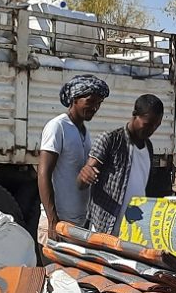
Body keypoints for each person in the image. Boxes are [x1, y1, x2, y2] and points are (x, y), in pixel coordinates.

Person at [37, 74, 109, 243]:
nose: (95, 107)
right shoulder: (58, 126)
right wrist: (53, 221)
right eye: (90, 101)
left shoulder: (84, 132)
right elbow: (43, 174)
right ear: (75, 99)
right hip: (58, 225)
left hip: (77, 227)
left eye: (99, 103)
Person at [79, 94, 165, 235]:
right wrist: (85, 175)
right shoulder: (110, 140)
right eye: (147, 125)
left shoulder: (148, 146)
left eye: (157, 125)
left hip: (133, 229)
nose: (152, 130)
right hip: (105, 229)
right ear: (134, 115)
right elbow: (82, 181)